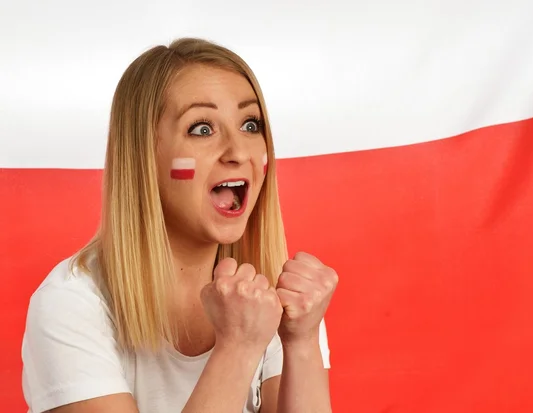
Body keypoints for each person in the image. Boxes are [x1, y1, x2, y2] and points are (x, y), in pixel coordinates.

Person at [21, 37, 338, 413]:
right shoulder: (71, 305)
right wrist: (236, 347)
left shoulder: (267, 293)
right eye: (202, 129)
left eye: (251, 124)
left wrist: (301, 341)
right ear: (144, 157)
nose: (238, 152)